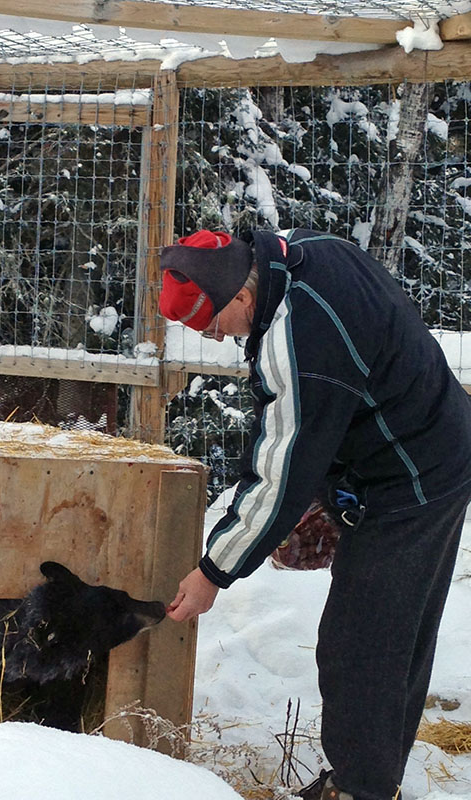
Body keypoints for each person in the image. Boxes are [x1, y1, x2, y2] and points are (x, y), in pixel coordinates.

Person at [158, 228, 471, 800]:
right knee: (394, 634)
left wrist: (213, 572)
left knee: (361, 643)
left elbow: (280, 470)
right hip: (428, 445)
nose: (217, 338)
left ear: (242, 296)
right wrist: (335, 490)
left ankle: (359, 789)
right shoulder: (305, 251)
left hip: (413, 477)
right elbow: (339, 392)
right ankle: (369, 779)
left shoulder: (296, 336)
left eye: (213, 325)